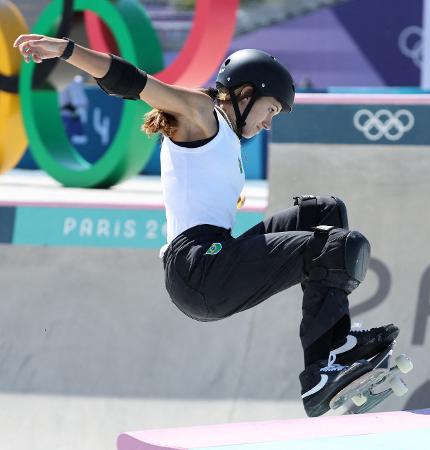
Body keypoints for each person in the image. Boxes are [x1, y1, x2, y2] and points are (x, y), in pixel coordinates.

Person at [14, 34, 399, 417]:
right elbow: (134, 83)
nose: (267, 124)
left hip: (216, 254)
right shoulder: (201, 113)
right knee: (337, 246)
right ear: (245, 94)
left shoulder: (227, 137)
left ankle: (335, 348)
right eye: (271, 110)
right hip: (198, 268)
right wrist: (66, 50)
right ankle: (320, 373)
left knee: (325, 212)